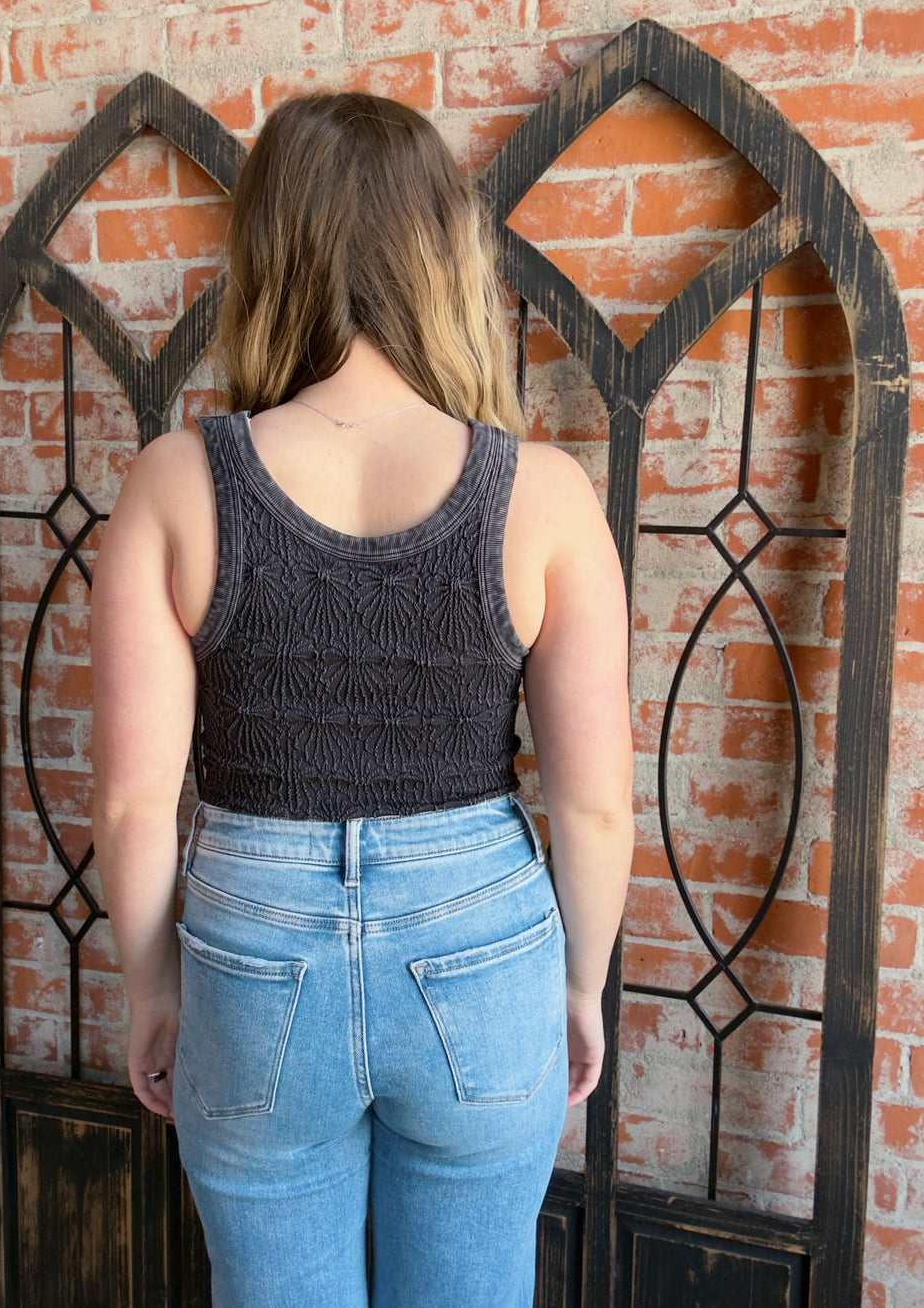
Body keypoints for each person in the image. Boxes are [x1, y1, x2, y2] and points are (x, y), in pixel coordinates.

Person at [90, 91, 633, 1308]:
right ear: (443, 252)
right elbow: (596, 808)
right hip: (478, 934)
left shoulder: (175, 482)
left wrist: (152, 991)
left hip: (254, 945)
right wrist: (577, 985)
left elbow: (132, 805)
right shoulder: (543, 494)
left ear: (267, 253)